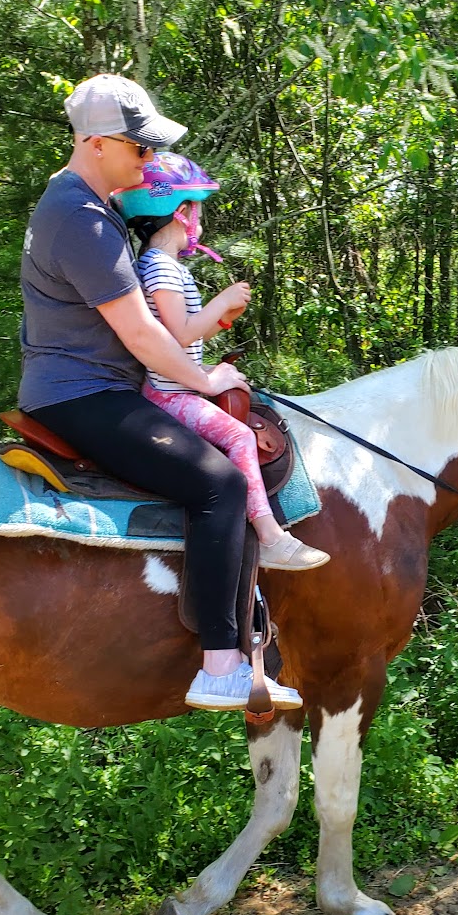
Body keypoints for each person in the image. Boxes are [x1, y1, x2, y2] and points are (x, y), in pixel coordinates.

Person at [18, 73, 303, 713]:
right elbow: (143, 335)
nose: (148, 162)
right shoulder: (81, 220)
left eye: (151, 151)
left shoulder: (82, 207)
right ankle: (220, 665)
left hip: (83, 386)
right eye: (140, 149)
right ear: (95, 143)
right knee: (219, 484)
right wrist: (208, 380)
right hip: (84, 393)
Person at [117, 155, 330, 573]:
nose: (199, 218)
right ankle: (270, 536)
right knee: (238, 437)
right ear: (180, 212)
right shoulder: (160, 266)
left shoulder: (164, 265)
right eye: (195, 209)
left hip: (181, 382)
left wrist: (220, 319)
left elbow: (187, 333)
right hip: (170, 392)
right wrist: (221, 301)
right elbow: (177, 334)